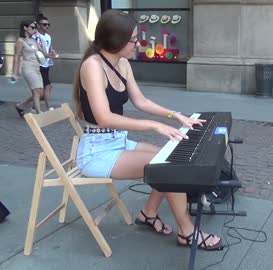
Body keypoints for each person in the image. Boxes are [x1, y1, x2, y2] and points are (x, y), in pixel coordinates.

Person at [73, 10, 223, 250]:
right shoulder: (93, 66)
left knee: (169, 158)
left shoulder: (121, 63)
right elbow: (103, 118)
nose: (138, 43)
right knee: (171, 168)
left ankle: (148, 213)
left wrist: (176, 116)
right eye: (133, 39)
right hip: (96, 152)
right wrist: (154, 125)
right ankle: (187, 232)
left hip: (116, 142)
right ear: (115, 40)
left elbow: (140, 101)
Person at [12, 20, 52, 116]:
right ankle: (38, 112)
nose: (34, 30)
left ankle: (21, 105)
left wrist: (51, 54)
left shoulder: (34, 40)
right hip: (28, 67)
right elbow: (16, 56)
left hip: (37, 67)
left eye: (35, 28)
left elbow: (44, 53)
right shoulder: (20, 41)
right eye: (32, 27)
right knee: (36, 90)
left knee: (41, 92)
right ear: (25, 28)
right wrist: (15, 72)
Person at [34, 14, 56, 111]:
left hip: (46, 64)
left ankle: (27, 106)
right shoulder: (35, 37)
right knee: (47, 86)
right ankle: (48, 106)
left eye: (48, 24)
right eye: (44, 24)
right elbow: (38, 50)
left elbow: (49, 48)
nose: (47, 26)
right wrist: (47, 55)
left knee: (40, 90)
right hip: (38, 64)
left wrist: (52, 54)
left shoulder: (48, 36)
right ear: (38, 25)